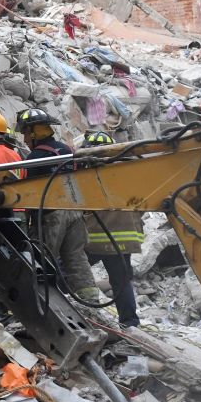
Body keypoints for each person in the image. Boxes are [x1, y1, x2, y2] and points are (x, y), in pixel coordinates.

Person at [16, 108, 99, 301]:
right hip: (75, 212)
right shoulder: (66, 150)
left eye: (25, 134)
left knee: (42, 259)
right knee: (76, 258)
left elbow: (29, 194)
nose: (25, 140)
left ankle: (41, 303)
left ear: (34, 132)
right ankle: (90, 300)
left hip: (52, 216)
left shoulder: (34, 158)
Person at [81, 131, 142, 326]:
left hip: (95, 238)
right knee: (121, 282)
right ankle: (130, 322)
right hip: (125, 240)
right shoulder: (127, 173)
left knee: (66, 272)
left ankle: (50, 304)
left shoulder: (86, 175)